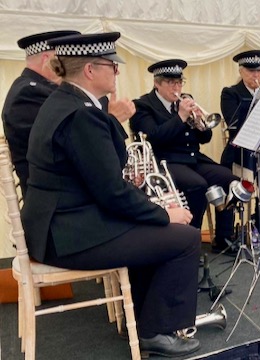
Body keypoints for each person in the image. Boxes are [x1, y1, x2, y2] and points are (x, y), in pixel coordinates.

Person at [21, 32, 201, 357]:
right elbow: (113, 193)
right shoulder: (81, 114)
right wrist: (164, 213)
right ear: (90, 70)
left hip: (62, 223)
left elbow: (109, 170)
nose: (117, 72)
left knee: (157, 228)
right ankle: (156, 332)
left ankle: (148, 317)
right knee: (185, 237)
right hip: (68, 235)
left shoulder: (69, 102)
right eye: (112, 66)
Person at [2, 30, 136, 196]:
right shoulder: (29, 94)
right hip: (63, 197)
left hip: (77, 184)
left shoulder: (51, 91)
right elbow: (73, 144)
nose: (67, 66)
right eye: (62, 60)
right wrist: (112, 119)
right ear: (47, 60)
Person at [129, 59, 240, 257]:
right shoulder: (143, 106)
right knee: (197, 185)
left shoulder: (185, 100)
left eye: (179, 82)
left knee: (228, 178)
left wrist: (199, 123)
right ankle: (190, 241)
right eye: (171, 83)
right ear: (157, 83)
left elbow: (204, 139)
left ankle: (223, 237)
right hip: (165, 162)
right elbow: (154, 137)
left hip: (192, 160)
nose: (177, 87)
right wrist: (180, 117)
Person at [220, 50, 260, 169]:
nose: (256, 75)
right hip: (240, 152)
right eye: (251, 71)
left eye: (259, 70)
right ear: (241, 72)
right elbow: (235, 124)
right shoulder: (230, 93)